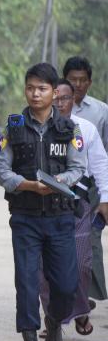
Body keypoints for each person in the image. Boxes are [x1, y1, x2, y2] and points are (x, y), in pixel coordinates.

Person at [0, 63, 85, 341]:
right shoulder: (13, 127)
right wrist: (27, 185)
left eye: (42, 88)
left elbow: (78, 167)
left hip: (60, 218)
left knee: (67, 286)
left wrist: (59, 182)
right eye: (30, 87)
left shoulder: (70, 129)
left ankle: (55, 322)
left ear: (54, 92)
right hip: (25, 217)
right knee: (27, 284)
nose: (35, 93)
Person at [39, 79, 108, 336]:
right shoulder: (36, 128)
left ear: (73, 100)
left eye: (65, 98)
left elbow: (101, 166)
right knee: (45, 267)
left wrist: (104, 200)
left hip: (78, 204)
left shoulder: (86, 129)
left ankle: (79, 311)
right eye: (55, 98)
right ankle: (54, 319)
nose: (60, 103)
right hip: (43, 204)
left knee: (80, 263)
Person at [63, 56, 108, 304]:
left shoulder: (101, 111)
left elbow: (104, 154)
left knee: (89, 241)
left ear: (89, 83)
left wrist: (105, 193)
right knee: (58, 243)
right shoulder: (54, 105)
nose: (78, 85)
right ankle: (60, 306)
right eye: (73, 80)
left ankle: (86, 296)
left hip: (90, 188)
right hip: (60, 184)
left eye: (82, 80)